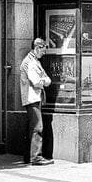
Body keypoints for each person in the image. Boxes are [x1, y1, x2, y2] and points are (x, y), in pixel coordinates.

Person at [19, 38, 53, 166]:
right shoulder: (31, 63)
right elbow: (38, 82)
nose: (43, 54)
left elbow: (45, 79)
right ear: (37, 47)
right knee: (38, 127)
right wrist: (44, 81)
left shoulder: (32, 61)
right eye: (43, 51)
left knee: (33, 127)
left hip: (32, 97)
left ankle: (29, 156)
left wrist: (44, 79)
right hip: (32, 97)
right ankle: (36, 157)